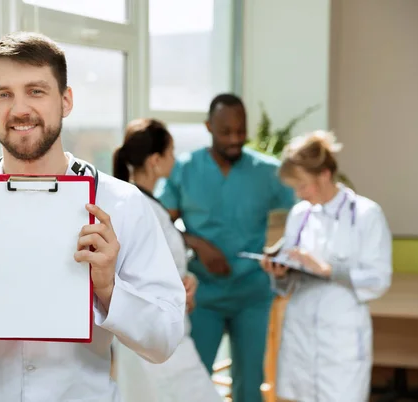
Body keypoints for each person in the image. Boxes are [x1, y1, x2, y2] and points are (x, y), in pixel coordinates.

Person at [0, 32, 186, 402]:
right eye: (3, 94)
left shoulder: (121, 204)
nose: (20, 109)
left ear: (66, 100)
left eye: (36, 91)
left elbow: (165, 340)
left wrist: (108, 288)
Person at [155, 93, 296, 401]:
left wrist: (281, 248)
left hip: (253, 293)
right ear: (208, 127)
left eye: (240, 130)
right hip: (204, 294)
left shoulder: (267, 172)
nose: (235, 139)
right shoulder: (185, 169)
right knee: (196, 379)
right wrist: (198, 244)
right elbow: (159, 224)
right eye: (226, 132)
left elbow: (305, 212)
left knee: (250, 384)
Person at [260, 131, 392, 402]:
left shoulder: (366, 214)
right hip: (301, 328)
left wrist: (328, 270)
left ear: (324, 175)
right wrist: (279, 273)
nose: (299, 194)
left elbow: (379, 279)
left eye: (303, 185)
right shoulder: (300, 214)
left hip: (340, 332)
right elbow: (289, 283)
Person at [111, 118, 222, 402]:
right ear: (156, 160)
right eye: (171, 152)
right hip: (154, 336)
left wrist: (186, 284)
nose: (175, 158)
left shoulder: (147, 204)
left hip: (163, 332)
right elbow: (123, 276)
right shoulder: (138, 207)